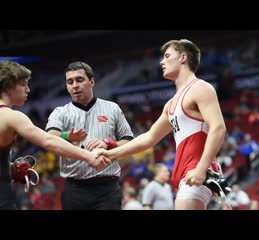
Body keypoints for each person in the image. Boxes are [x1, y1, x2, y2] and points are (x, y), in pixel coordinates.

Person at [106, 39, 227, 210]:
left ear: (183, 58)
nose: (161, 62)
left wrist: (201, 168)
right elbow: (148, 138)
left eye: (167, 56)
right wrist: (111, 154)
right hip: (184, 173)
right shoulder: (170, 104)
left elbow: (218, 128)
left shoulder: (200, 88)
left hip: (197, 168)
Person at [0, 61, 111, 210]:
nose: (28, 90)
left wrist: (11, 168)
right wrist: (88, 156)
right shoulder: (11, 116)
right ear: (8, 87)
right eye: (23, 84)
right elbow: (48, 141)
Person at [46, 61, 134, 210]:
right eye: (70, 82)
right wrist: (67, 136)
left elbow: (129, 142)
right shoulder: (60, 112)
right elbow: (49, 137)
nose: (74, 85)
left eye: (79, 80)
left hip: (107, 189)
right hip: (75, 189)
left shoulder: (112, 108)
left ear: (92, 82)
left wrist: (109, 144)